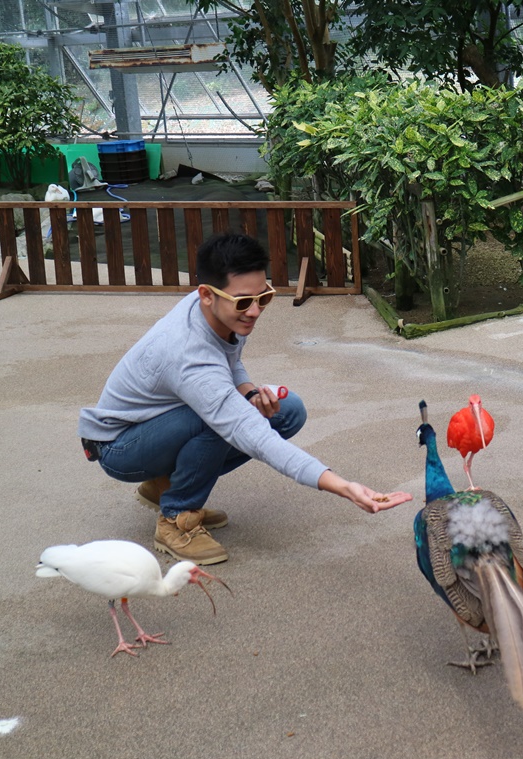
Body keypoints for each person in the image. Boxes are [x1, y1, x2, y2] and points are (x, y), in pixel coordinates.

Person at [78, 232, 411, 565]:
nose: (254, 311)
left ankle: (164, 486)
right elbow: (253, 436)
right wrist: (343, 486)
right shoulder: (188, 353)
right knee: (216, 421)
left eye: (263, 297)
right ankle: (176, 519)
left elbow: (229, 361)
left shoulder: (217, 311)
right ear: (206, 295)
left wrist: (249, 391)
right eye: (242, 302)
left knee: (287, 411)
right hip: (118, 447)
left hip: (156, 423)